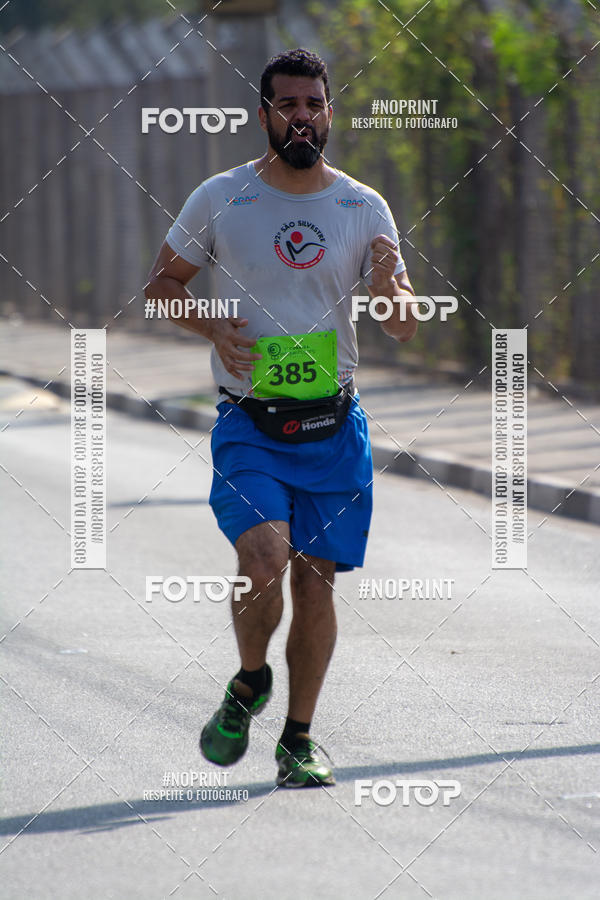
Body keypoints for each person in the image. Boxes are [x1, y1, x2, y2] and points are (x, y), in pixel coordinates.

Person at [145, 48, 418, 787]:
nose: (302, 116)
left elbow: (401, 327)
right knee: (264, 559)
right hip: (250, 424)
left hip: (334, 428)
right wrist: (210, 328)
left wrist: (394, 287)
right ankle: (249, 677)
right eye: (288, 105)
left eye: (314, 104)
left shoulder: (363, 207)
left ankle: (297, 739)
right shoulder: (220, 197)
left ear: (330, 113)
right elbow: (163, 284)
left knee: (315, 585)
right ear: (264, 114)